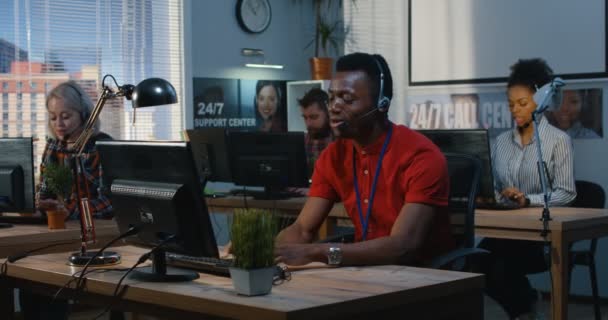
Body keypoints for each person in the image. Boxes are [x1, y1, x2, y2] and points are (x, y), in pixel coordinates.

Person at [274, 52, 454, 267]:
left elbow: (402, 248)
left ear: (382, 104)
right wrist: (262, 251)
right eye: (331, 98)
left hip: (423, 277)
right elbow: (302, 229)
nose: (334, 107)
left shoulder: (421, 156)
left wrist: (317, 252)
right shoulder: (333, 156)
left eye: (347, 99)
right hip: (364, 272)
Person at [479, 58, 576, 320]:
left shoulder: (558, 141)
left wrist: (528, 200)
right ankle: (524, 306)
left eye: (523, 103)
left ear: (541, 103)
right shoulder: (500, 142)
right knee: (473, 260)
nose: (515, 110)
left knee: (499, 264)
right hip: (506, 232)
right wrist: (502, 195)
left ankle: (523, 309)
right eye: (511, 104)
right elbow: (496, 188)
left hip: (540, 238)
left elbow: (567, 193)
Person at [21, 81, 113, 320]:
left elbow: (108, 201)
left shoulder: (100, 144)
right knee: (29, 279)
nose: (59, 124)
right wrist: (42, 203)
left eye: (66, 116)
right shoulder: (54, 146)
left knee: (47, 282)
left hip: (97, 234)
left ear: (83, 114)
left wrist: (68, 209)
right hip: (62, 230)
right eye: (53, 117)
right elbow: (45, 190)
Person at [298, 88, 333, 177]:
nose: (308, 124)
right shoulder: (304, 141)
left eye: (314, 117)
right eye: (305, 118)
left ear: (328, 113)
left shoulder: (343, 141)